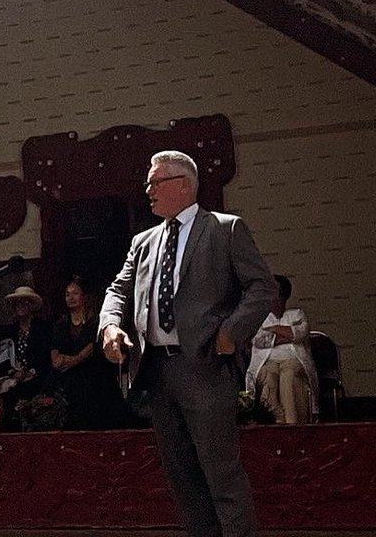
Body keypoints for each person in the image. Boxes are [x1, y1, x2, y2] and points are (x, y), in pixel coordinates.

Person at [100, 151, 273, 537]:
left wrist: (231, 331)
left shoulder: (225, 230)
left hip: (206, 366)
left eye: (155, 182)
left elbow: (262, 288)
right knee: (183, 481)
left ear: (183, 184)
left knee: (221, 475)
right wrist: (110, 326)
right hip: (157, 373)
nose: (147, 190)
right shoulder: (143, 242)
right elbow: (117, 291)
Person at [50, 277, 127, 430]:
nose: (70, 297)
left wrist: (74, 360)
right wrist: (57, 360)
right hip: (66, 373)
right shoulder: (60, 324)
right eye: (67, 294)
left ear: (83, 297)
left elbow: (93, 346)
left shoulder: (95, 321)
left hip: (91, 370)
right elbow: (55, 348)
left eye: (75, 293)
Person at [246, 276, 318, 424]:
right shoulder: (259, 317)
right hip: (266, 362)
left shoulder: (297, 314)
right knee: (268, 378)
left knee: (289, 376)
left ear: (283, 295)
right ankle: (277, 421)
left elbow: (300, 332)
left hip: (293, 360)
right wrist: (287, 334)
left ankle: (292, 425)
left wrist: (273, 330)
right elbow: (258, 340)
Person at [0, 285, 51, 435]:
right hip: (14, 379)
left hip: (38, 379)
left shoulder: (42, 329)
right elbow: (1, 360)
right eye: (17, 303)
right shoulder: (9, 331)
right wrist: (13, 372)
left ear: (31, 306)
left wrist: (30, 372)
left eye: (24, 303)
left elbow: (45, 357)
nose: (20, 306)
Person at [0, 256, 36, 325]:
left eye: (26, 303)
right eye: (19, 302)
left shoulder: (27, 277)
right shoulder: (4, 282)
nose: (22, 305)